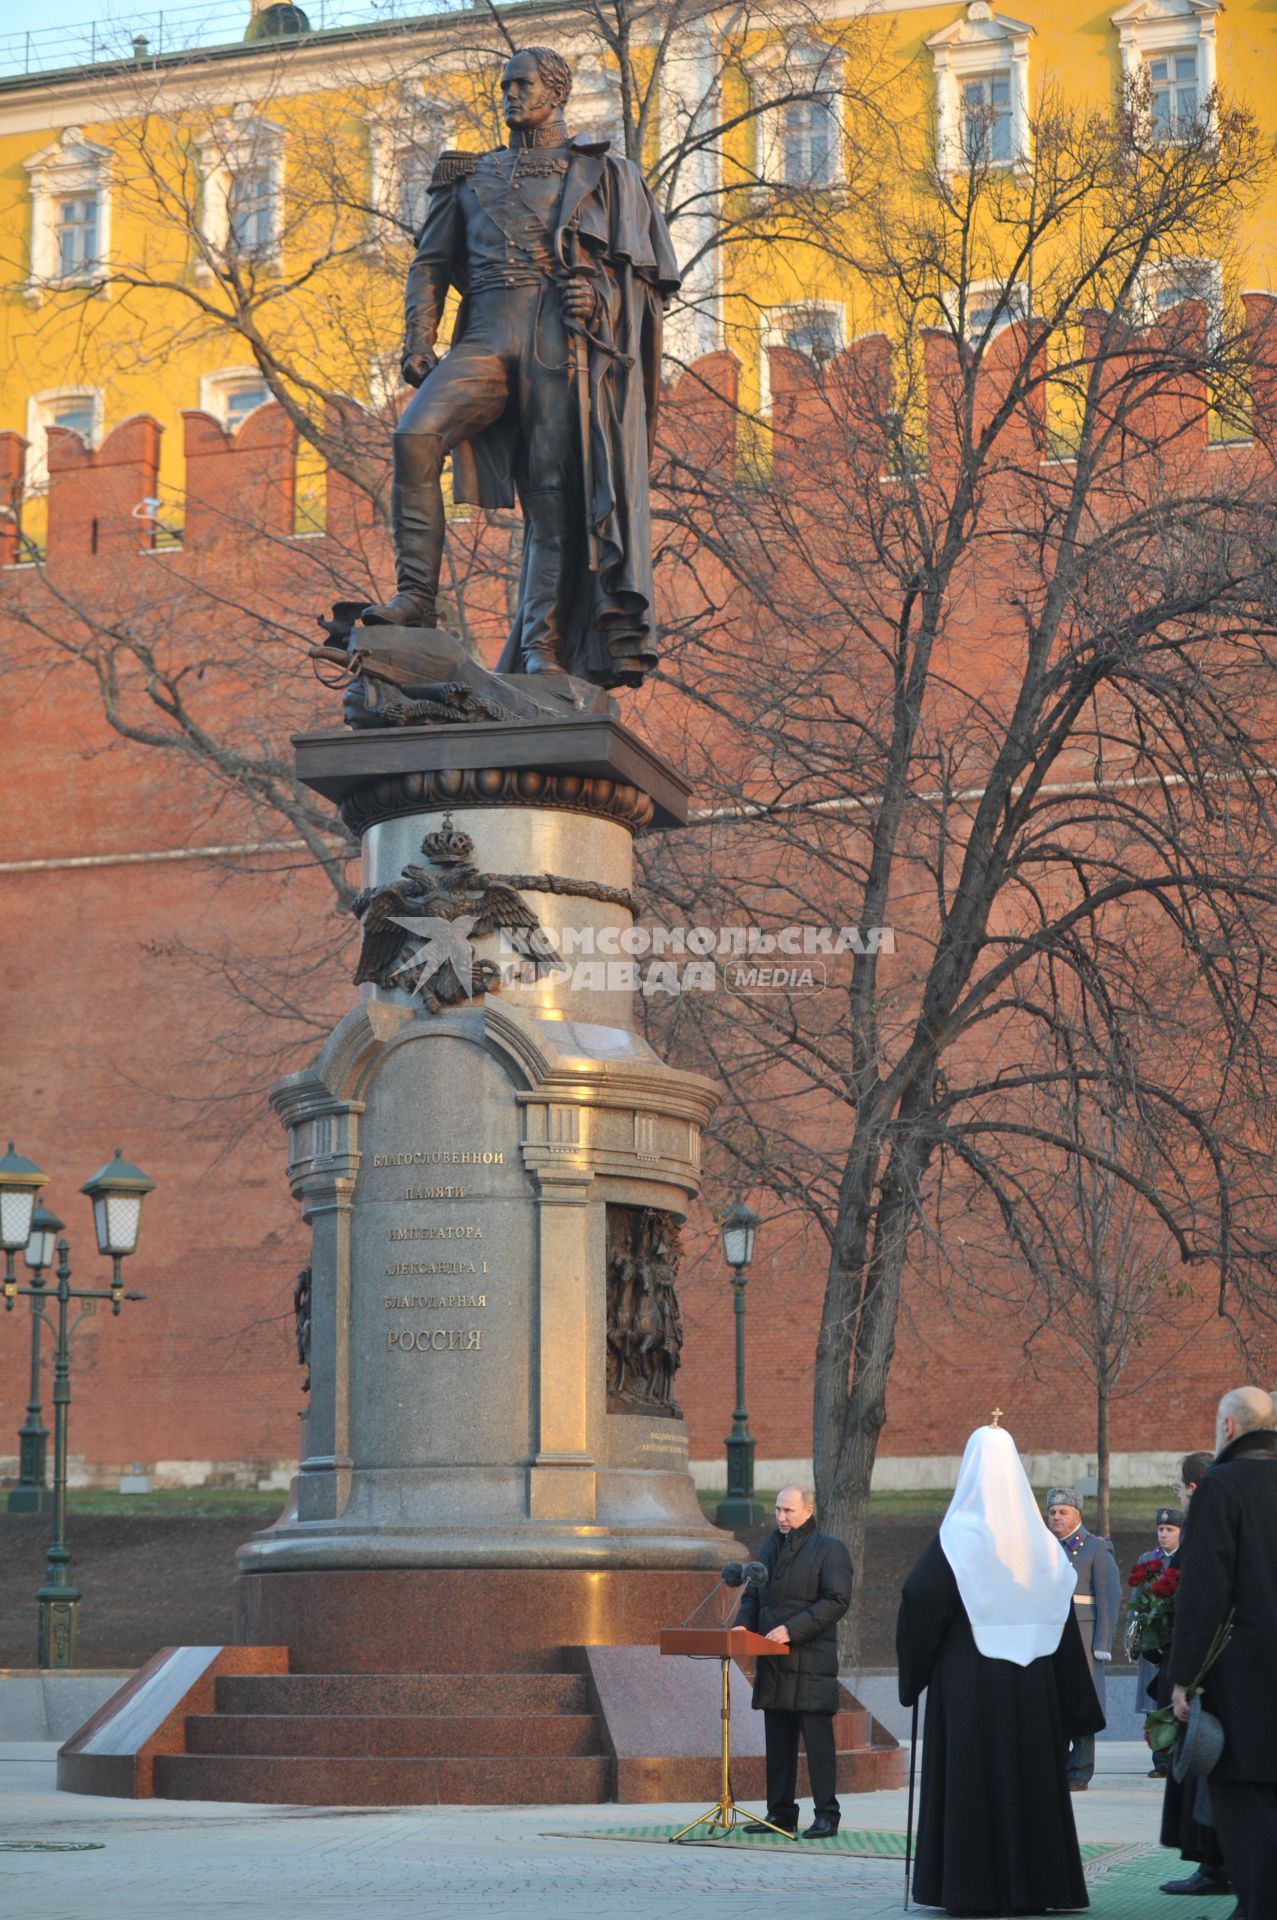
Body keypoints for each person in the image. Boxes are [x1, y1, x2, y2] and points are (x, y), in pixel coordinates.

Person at [362, 45, 680, 687]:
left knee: (552, 498)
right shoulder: (469, 176)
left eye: (521, 85)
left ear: (556, 91)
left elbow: (647, 281)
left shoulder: (604, 174)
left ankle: (543, 647)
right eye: (504, 86)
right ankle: (415, 599)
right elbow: (428, 264)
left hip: (555, 341)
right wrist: (417, 338)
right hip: (484, 334)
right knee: (414, 437)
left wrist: (602, 298)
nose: (508, 95)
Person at [897, 1422, 1103, 1914]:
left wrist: (916, 1674)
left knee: (972, 1781)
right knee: (1031, 1778)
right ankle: (1041, 1886)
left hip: (969, 1682)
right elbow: (1061, 1618)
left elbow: (920, 1597)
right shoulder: (1042, 1544)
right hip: (1033, 1687)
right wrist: (1076, 1703)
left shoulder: (957, 1536)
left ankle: (970, 1888)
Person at [1169, 1387, 1277, 1920]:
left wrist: (1183, 1675)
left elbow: (1204, 1590)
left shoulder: (1221, 1487)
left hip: (1247, 1682)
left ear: (1229, 1428)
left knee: (1248, 1813)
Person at [736, 1485, 852, 1839]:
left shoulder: (829, 1548)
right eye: (778, 1510)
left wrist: (791, 1629)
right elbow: (754, 1591)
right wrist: (744, 1623)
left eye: (788, 1511)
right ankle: (781, 1813)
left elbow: (836, 1600)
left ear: (807, 1511)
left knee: (817, 1742)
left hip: (810, 1659)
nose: (782, 1517)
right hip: (774, 1659)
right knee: (779, 1740)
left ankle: (827, 1815)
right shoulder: (771, 1546)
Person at [1158, 1450, 1232, 1898]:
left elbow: (1198, 1600)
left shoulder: (1208, 1526)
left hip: (1212, 1669)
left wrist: (1181, 1673)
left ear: (1191, 1488)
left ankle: (1215, 1864)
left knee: (1205, 1765)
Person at [1045, 1484, 1121, 1789]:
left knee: (1083, 1701)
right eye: (1052, 1512)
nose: (1056, 1518)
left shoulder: (1096, 1548)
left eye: (1062, 1512)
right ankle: (1055, 1766)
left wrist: (1102, 1643)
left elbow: (1109, 1597)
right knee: (1055, 1702)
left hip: (1084, 1636)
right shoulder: (1044, 1548)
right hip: (1051, 1637)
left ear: (1077, 1515)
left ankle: (1080, 1770)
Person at [1129, 1505, 1185, 1777]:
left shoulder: (1188, 1559)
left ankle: (1177, 1758)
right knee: (1156, 1703)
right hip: (1153, 1645)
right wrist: (1136, 1644)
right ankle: (1160, 1760)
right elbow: (1136, 1605)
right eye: (1160, 1529)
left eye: (1170, 1530)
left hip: (1175, 1643)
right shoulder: (1148, 1560)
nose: (1164, 1535)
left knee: (1175, 1701)